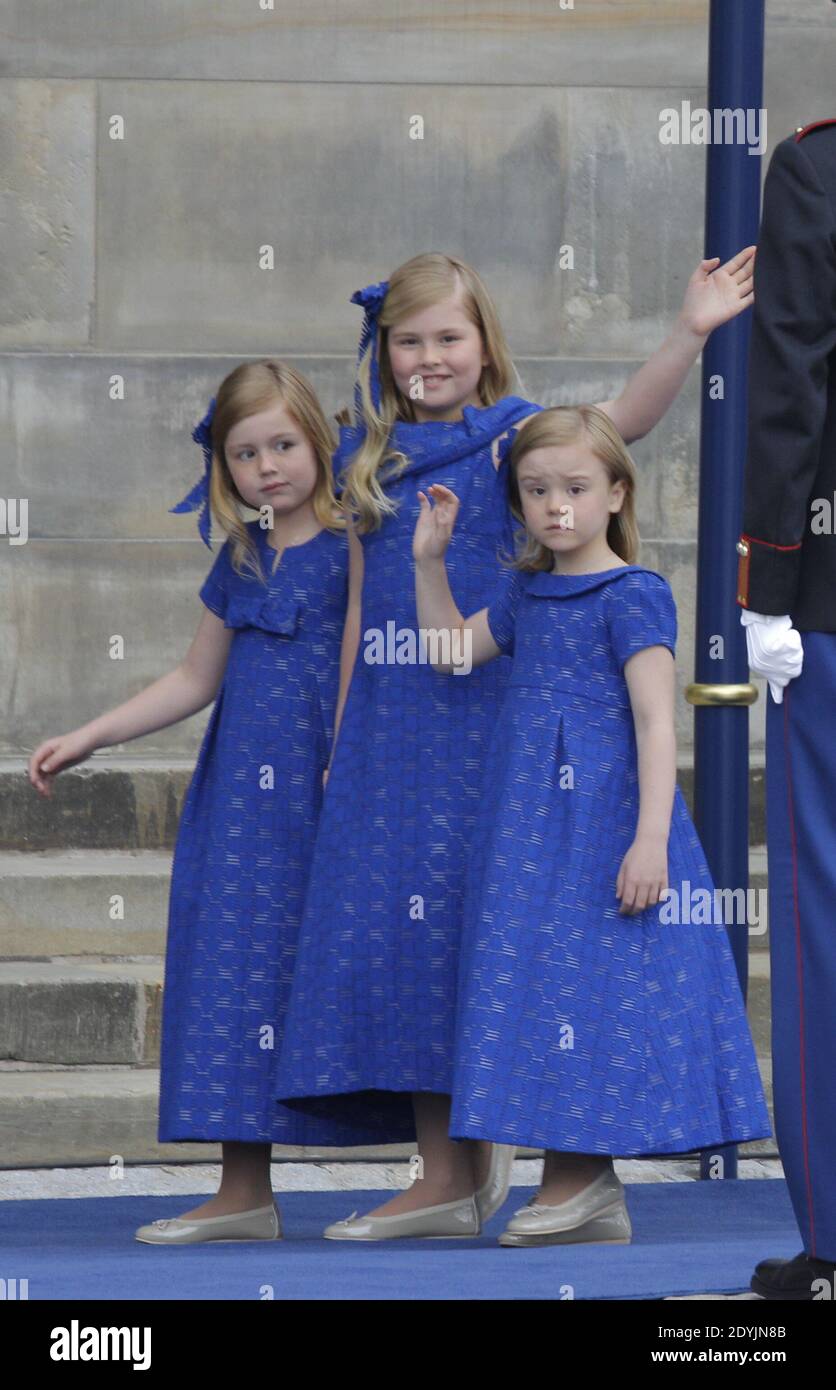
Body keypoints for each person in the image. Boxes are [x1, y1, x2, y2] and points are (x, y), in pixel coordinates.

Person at [275, 248, 757, 1241]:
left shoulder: (516, 444)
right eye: (407, 339)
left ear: (484, 342)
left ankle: (562, 1173)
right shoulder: (367, 452)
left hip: (510, 744)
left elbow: (612, 428)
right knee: (415, 941)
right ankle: (446, 1177)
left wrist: (687, 332)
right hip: (395, 727)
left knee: (520, 944)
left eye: (448, 336)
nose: (427, 355)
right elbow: (370, 605)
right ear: (382, 349)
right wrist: (338, 727)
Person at [413, 404, 771, 1248]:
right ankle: (579, 1187)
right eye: (536, 490)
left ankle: (580, 1181)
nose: (555, 506)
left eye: (575, 487)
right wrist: (429, 564)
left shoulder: (635, 594)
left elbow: (655, 721)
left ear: (616, 492)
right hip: (528, 830)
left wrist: (650, 839)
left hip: (607, 826)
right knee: (537, 985)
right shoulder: (526, 591)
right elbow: (452, 654)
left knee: (594, 991)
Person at [28, 360, 363, 1245]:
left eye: (284, 444)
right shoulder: (243, 555)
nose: (269, 466)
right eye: (246, 453)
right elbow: (193, 676)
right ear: (225, 469)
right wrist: (93, 734)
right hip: (240, 805)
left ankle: (445, 1170)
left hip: (323, 794)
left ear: (319, 444)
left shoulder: (357, 545)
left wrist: (347, 766)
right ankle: (242, 1190)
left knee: (321, 974)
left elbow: (362, 663)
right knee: (229, 972)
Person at [736, 118, 836, 1300]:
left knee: (820, 908)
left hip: (825, 591)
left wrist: (762, 578)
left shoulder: (816, 165)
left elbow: (790, 381)